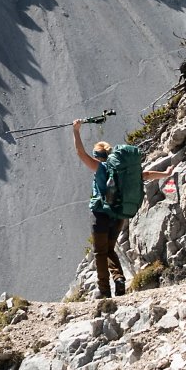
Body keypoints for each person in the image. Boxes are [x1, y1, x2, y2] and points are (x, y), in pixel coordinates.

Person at [74, 121, 135, 300]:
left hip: (101, 215)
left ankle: (105, 290)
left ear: (98, 156)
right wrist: (166, 173)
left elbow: (80, 153)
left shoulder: (100, 168)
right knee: (110, 249)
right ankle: (119, 279)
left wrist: (76, 131)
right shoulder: (119, 170)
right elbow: (144, 175)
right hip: (118, 216)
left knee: (100, 252)